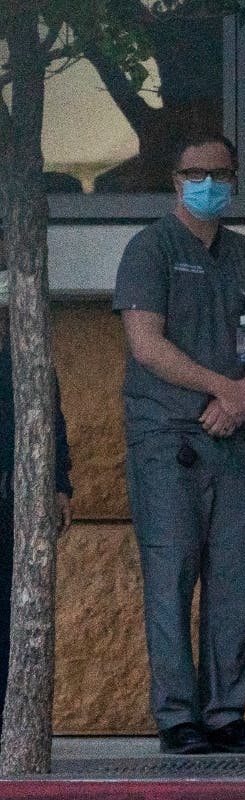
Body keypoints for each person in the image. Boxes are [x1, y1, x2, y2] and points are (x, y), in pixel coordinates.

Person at [113, 133, 245, 755]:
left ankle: (225, 713)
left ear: (235, 179)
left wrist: (244, 394)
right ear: (174, 179)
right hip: (169, 436)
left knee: (233, 578)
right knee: (173, 571)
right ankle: (178, 716)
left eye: (220, 173)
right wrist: (221, 389)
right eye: (195, 173)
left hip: (235, 438)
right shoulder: (149, 249)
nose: (208, 183)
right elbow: (146, 345)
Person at [0, 269, 73, 729]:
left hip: (16, 503)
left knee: (12, 617)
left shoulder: (30, 365)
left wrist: (61, 484)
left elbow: (52, 424)